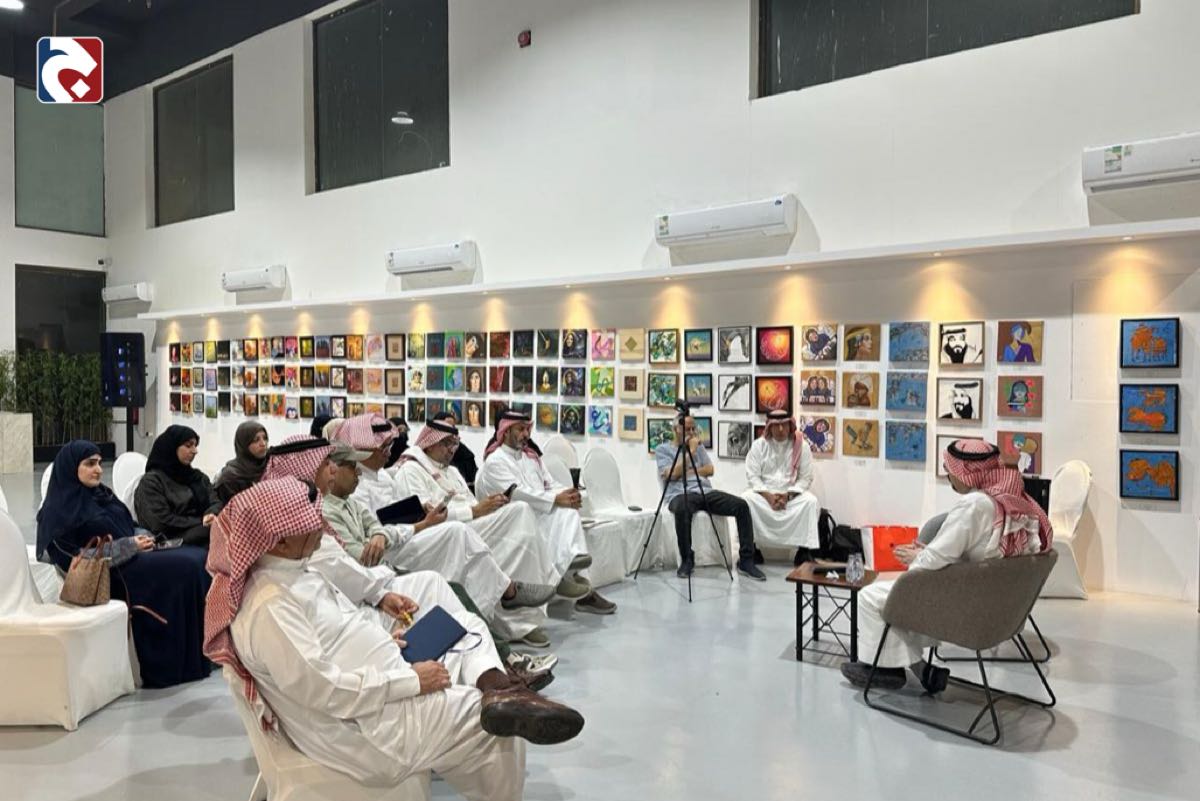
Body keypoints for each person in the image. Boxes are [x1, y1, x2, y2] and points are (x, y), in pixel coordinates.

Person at [205, 479, 583, 799]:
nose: (320, 526)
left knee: (461, 629)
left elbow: (336, 636)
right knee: (490, 723)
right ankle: (502, 701)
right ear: (277, 541)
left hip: (380, 684)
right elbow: (324, 691)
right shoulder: (271, 606)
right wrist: (412, 681)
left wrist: (389, 644)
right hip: (365, 730)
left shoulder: (293, 570)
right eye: (308, 522)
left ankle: (500, 686)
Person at [261, 433, 560, 658]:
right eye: (343, 466)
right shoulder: (317, 514)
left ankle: (501, 647)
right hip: (364, 592)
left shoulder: (346, 499)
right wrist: (383, 553)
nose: (355, 471)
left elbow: (376, 527)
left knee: (459, 570)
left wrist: (380, 537)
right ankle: (501, 649)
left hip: (385, 566)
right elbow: (356, 558)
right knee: (452, 563)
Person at [840, 439, 1053, 692]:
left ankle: (885, 670)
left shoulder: (976, 505)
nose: (948, 476)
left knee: (872, 597)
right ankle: (921, 670)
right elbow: (983, 553)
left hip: (966, 607)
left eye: (949, 469)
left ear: (967, 472)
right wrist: (926, 554)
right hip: (1000, 608)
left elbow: (934, 560)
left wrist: (915, 559)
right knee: (897, 596)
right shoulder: (1016, 500)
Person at [37, 441, 212, 688]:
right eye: (90, 464)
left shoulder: (102, 495)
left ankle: (201, 654)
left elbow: (129, 525)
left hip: (135, 559)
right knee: (185, 567)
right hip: (108, 574)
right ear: (71, 468)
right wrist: (128, 546)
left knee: (197, 558)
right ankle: (172, 665)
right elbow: (73, 559)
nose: (98, 470)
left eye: (99, 463)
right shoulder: (58, 512)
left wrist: (144, 537)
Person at [395, 419, 584, 614]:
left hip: (472, 523)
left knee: (520, 509)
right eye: (446, 443)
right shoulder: (412, 470)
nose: (452, 450)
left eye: (455, 444)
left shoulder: (452, 471)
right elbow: (427, 517)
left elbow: (472, 502)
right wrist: (475, 511)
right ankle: (547, 581)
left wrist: (489, 506)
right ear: (430, 443)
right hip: (443, 534)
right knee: (518, 518)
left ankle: (546, 583)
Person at [476, 411, 616, 615]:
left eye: (527, 429)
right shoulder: (495, 461)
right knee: (553, 513)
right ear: (505, 431)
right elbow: (517, 494)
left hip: (539, 512)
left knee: (568, 512)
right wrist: (555, 499)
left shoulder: (531, 458)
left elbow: (549, 484)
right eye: (520, 429)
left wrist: (567, 494)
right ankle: (565, 580)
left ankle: (571, 571)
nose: (526, 434)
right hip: (511, 521)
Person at [657, 414, 765, 581]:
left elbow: (710, 470)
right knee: (682, 508)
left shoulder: (699, 446)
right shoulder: (663, 450)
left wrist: (686, 471)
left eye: (693, 429)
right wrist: (691, 452)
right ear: (676, 429)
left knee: (741, 505)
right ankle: (687, 559)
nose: (691, 433)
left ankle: (746, 560)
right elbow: (671, 474)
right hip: (680, 494)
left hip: (705, 492)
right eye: (687, 429)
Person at [741, 410, 820, 555]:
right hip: (764, 495)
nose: (781, 429)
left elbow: (805, 478)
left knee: (810, 502)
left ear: (791, 425)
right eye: (776, 425)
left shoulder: (801, 446)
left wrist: (788, 496)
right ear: (769, 427)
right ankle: (751, 550)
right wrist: (768, 496)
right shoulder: (759, 445)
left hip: (791, 495)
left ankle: (803, 552)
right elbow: (753, 476)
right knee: (746, 499)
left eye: (784, 425)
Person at [135, 425, 221, 546]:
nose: (195, 451)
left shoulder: (198, 477)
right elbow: (160, 522)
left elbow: (215, 501)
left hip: (200, 529)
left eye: (195, 445)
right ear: (172, 447)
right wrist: (200, 521)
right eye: (188, 445)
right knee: (216, 531)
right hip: (170, 539)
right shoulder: (152, 482)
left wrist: (211, 514)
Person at [214, 421, 269, 504]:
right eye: (256, 440)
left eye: (265, 438)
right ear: (244, 444)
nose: (263, 444)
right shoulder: (230, 478)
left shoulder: (270, 466)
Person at [430, 411, 479, 489]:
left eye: (453, 427)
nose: (451, 431)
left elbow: (473, 482)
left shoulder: (465, 455)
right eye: (447, 428)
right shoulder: (429, 453)